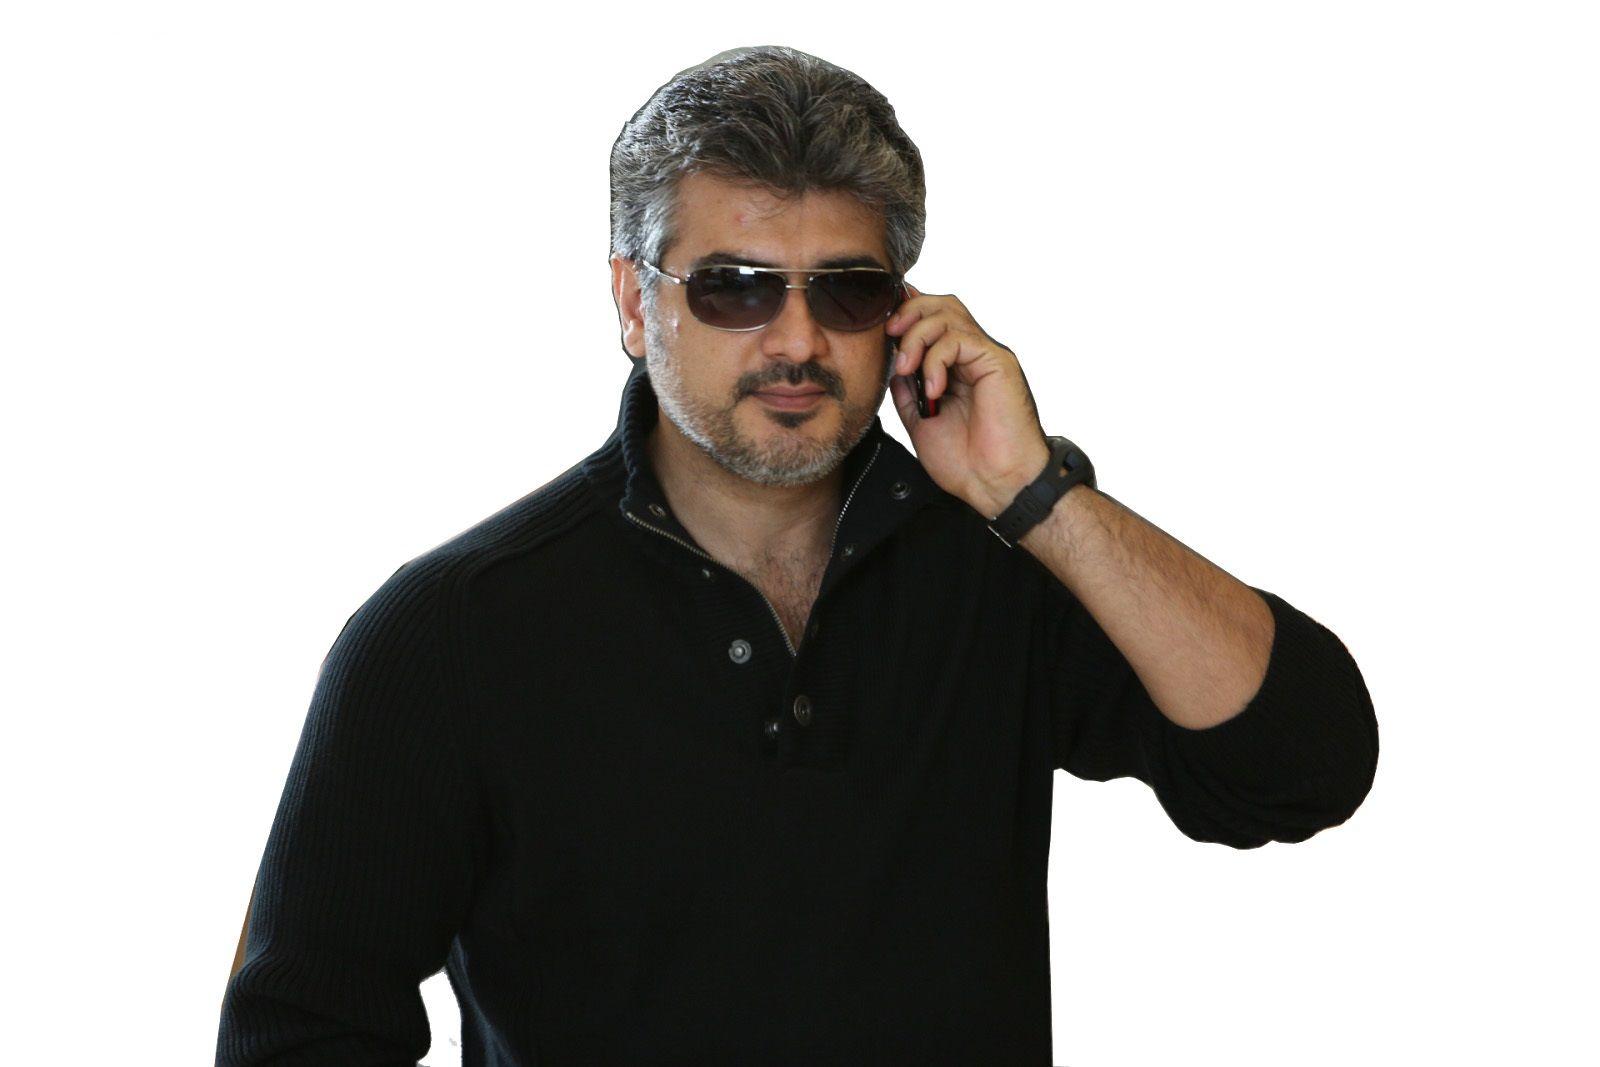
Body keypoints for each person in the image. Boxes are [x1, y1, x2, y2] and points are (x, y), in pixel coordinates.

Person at [216, 44, 1379, 1067]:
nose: (797, 339)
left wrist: (1032, 495)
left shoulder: (998, 567)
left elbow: (1303, 765)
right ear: (634, 302)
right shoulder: (454, 631)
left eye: (847, 290)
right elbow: (299, 1031)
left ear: (901, 309)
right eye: (734, 288)